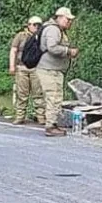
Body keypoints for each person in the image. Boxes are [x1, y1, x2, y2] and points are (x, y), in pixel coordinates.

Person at [37, 8, 79, 137]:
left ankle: (53, 123)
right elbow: (52, 47)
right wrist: (68, 51)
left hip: (53, 69)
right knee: (53, 97)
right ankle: (50, 125)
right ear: (59, 17)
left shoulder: (57, 29)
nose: (69, 22)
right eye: (67, 19)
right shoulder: (53, 29)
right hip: (49, 69)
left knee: (55, 97)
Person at [9, 16, 45, 125]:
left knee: (38, 93)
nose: (36, 27)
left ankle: (41, 116)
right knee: (22, 94)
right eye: (34, 24)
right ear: (28, 25)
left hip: (36, 68)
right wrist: (12, 66)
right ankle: (20, 116)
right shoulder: (21, 36)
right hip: (22, 67)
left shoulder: (41, 36)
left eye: (38, 25)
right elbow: (13, 50)